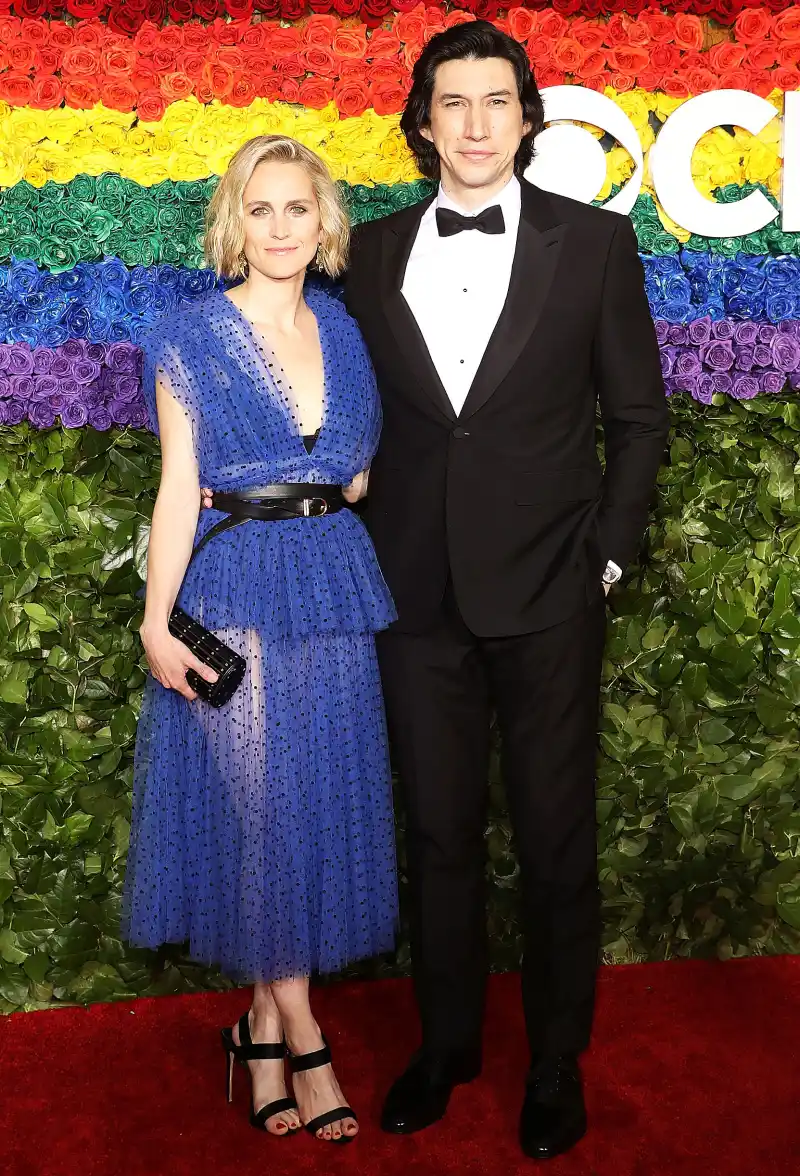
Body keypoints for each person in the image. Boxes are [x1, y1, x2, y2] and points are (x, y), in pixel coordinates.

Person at [343, 22, 669, 1161]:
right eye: (452, 103)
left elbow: (634, 420)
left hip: (548, 593)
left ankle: (552, 1062)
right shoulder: (367, 253)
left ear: (526, 118)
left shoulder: (593, 246)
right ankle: (444, 1049)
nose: (475, 124)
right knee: (435, 835)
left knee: (553, 840)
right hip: (412, 597)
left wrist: (607, 554)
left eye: (495, 102)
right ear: (420, 122)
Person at [122, 135, 398, 1145]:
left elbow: (352, 457)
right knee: (263, 816)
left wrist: (342, 472)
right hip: (234, 586)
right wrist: (155, 620)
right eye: (260, 209)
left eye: (296, 209)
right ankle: (303, 1037)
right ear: (232, 224)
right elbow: (174, 488)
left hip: (329, 586)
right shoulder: (188, 335)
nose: (279, 228)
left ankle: (256, 1026)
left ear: (324, 223)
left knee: (316, 809)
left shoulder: (342, 327)